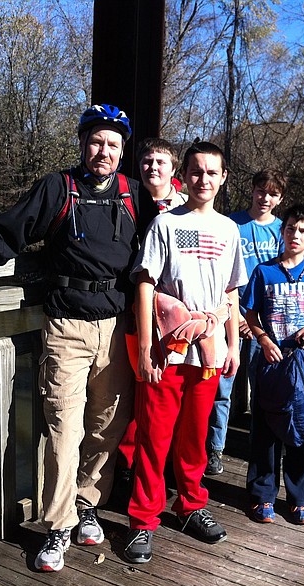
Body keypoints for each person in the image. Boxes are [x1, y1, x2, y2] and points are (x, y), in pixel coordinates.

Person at [0, 104, 140, 573]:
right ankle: (58, 527)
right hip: (67, 327)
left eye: (113, 145)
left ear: (122, 152)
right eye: (97, 141)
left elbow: (177, 240)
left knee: (106, 426)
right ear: (82, 144)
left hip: (117, 329)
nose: (105, 151)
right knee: (63, 431)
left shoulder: (136, 195)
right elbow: (6, 232)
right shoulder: (59, 188)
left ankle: (88, 501)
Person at [123, 141, 246, 564]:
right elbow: (145, 282)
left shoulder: (230, 230)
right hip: (168, 348)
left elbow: (230, 290)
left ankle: (191, 505)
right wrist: (144, 346)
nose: (204, 179)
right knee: (154, 437)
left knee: (194, 435)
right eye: (196, 171)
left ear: (223, 177)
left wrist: (233, 342)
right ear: (185, 175)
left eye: (212, 172)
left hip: (208, 352)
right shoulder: (166, 225)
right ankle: (143, 520)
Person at [242, 203, 304, 525]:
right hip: (273, 361)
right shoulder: (264, 272)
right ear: (282, 233)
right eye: (290, 229)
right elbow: (250, 313)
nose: (295, 235)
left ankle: (299, 497)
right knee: (266, 429)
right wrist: (264, 340)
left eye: (303, 231)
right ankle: (262, 495)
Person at [115, 137, 188, 490]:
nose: (152, 167)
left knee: (170, 393)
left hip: (176, 319)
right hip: (136, 312)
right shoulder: (128, 202)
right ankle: (129, 466)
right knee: (138, 388)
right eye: (146, 161)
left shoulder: (187, 209)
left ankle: (170, 469)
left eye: (160, 161)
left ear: (174, 169)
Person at [205, 168, 286, 476]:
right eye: (261, 191)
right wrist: (236, 315)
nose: (265, 198)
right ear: (252, 190)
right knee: (221, 388)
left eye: (273, 194)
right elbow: (219, 272)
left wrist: (258, 323)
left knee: (265, 390)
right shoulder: (230, 225)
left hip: (265, 325)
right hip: (230, 317)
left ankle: (263, 449)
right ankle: (215, 448)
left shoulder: (283, 230)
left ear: (280, 199)